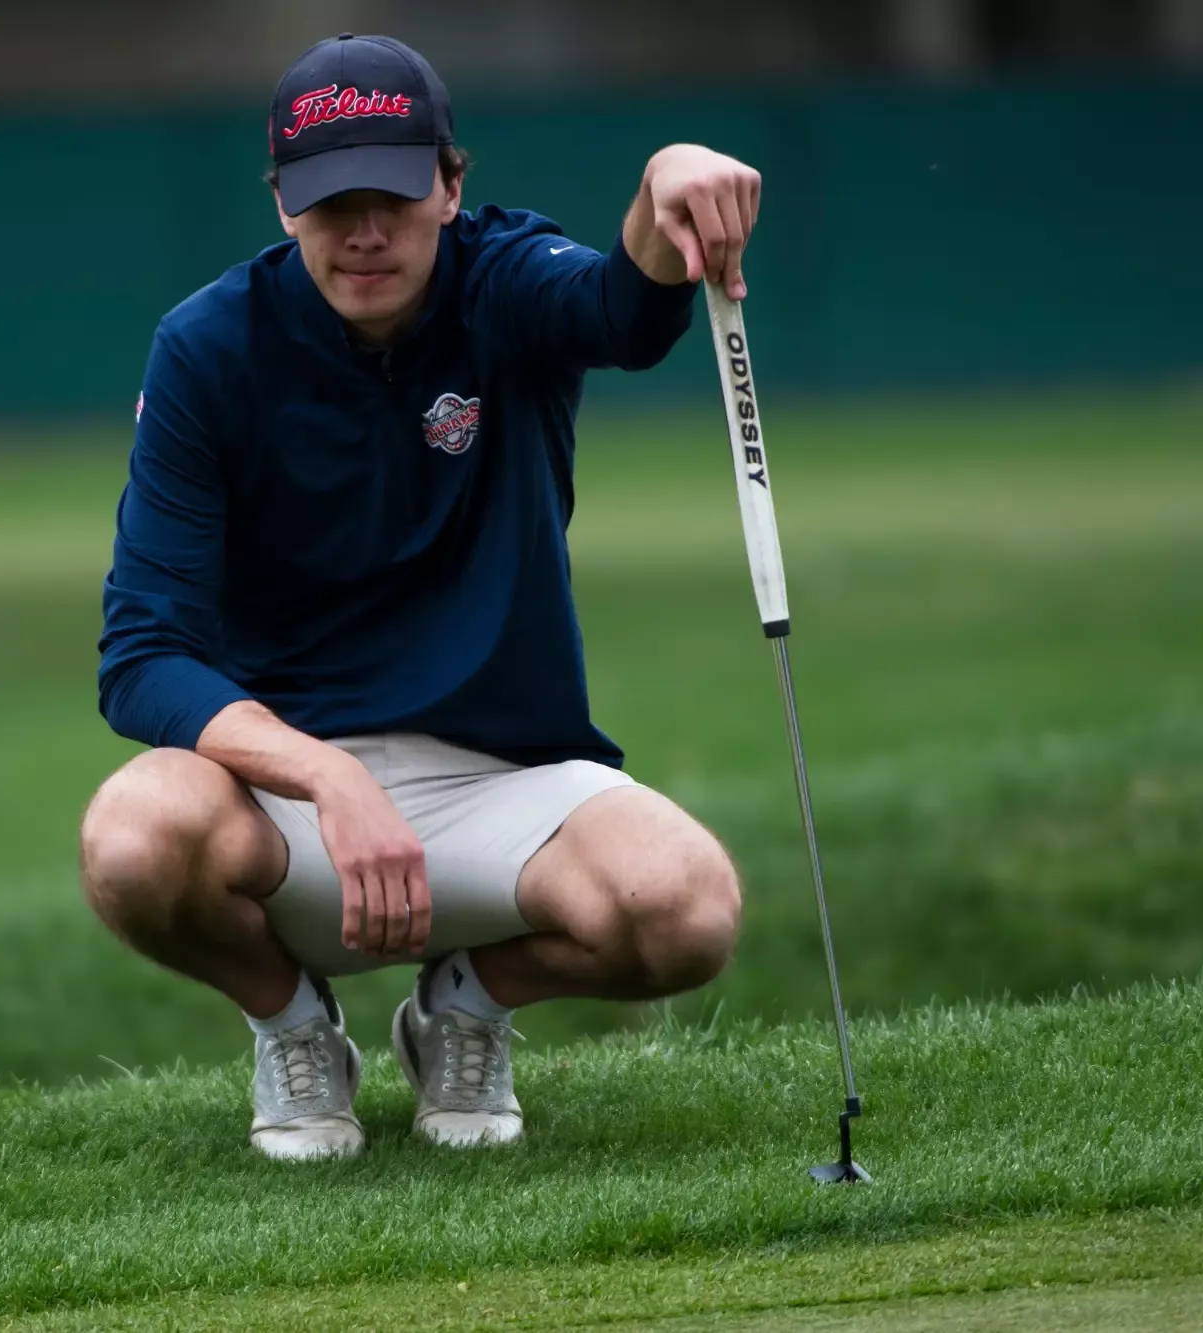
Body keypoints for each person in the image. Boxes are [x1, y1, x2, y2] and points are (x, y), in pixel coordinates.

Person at [83, 32, 758, 1160]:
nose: (361, 233)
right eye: (327, 202)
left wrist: (661, 187)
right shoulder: (206, 349)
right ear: (280, 205)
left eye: (392, 196)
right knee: (131, 837)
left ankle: (465, 1004)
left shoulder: (505, 280)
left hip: (503, 779)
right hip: (287, 807)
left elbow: (621, 313)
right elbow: (141, 651)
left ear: (450, 184)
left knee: (687, 911)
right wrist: (324, 772)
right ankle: (291, 1022)